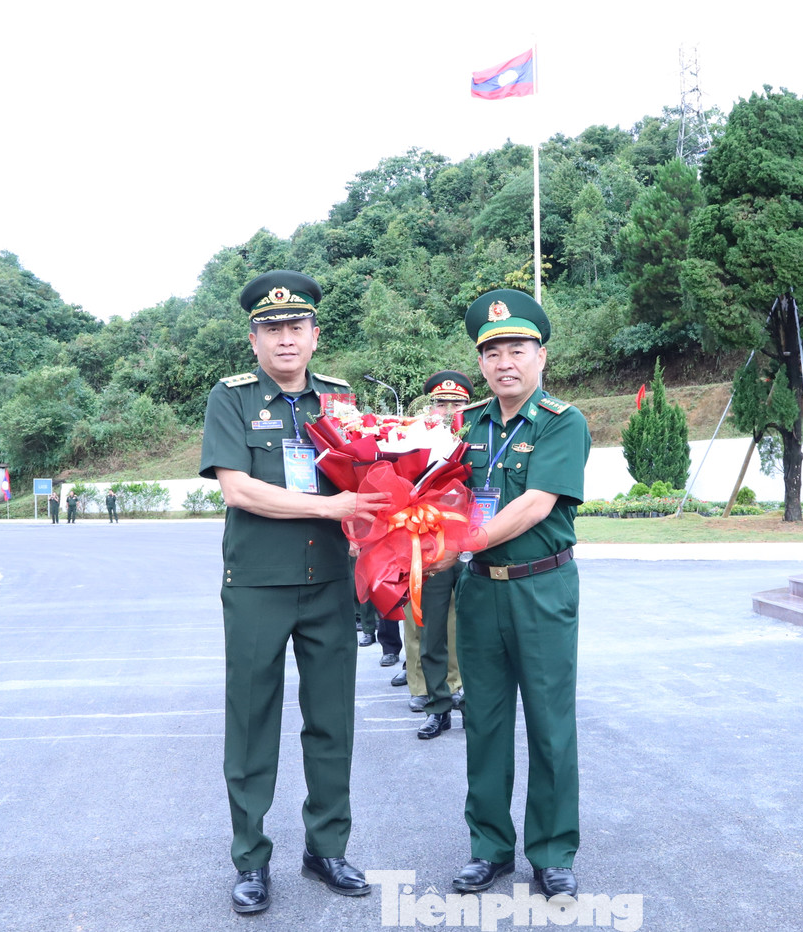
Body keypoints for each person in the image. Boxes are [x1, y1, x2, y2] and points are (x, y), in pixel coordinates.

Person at [198, 270, 387, 914]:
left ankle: (326, 847)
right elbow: (238, 490)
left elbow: (369, 480)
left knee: (332, 718)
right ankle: (250, 859)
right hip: (257, 584)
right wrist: (331, 508)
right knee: (252, 721)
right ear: (254, 340)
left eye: (296, 328)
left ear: (314, 336)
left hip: (331, 582)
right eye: (272, 329)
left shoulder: (340, 400)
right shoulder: (230, 399)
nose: (285, 340)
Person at [444, 289, 591, 899]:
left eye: (519, 349)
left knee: (551, 725)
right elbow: (438, 495)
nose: (506, 361)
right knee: (485, 722)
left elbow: (534, 506)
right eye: (494, 351)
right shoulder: (466, 426)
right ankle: (489, 847)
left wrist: (458, 543)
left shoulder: (564, 422)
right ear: (480, 362)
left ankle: (553, 852)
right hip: (479, 593)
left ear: (541, 356)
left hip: (542, 588)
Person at [403, 370, 473, 736]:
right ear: (431, 405)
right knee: (430, 629)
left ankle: (469, 699)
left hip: (475, 543)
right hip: (430, 544)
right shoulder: (414, 438)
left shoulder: (479, 433)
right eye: (441, 402)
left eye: (456, 403)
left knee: (471, 628)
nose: (448, 409)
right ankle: (438, 705)